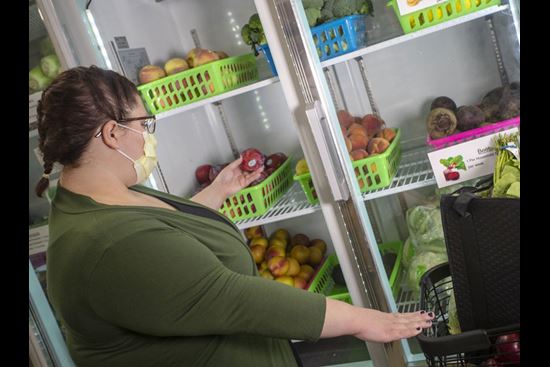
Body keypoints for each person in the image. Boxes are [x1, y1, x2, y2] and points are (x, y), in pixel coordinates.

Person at [35, 66, 433, 367]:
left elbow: (165, 241)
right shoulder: (107, 245)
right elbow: (236, 300)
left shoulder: (101, 196)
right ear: (111, 134)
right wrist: (365, 322)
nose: (149, 136)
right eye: (144, 124)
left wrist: (218, 191)